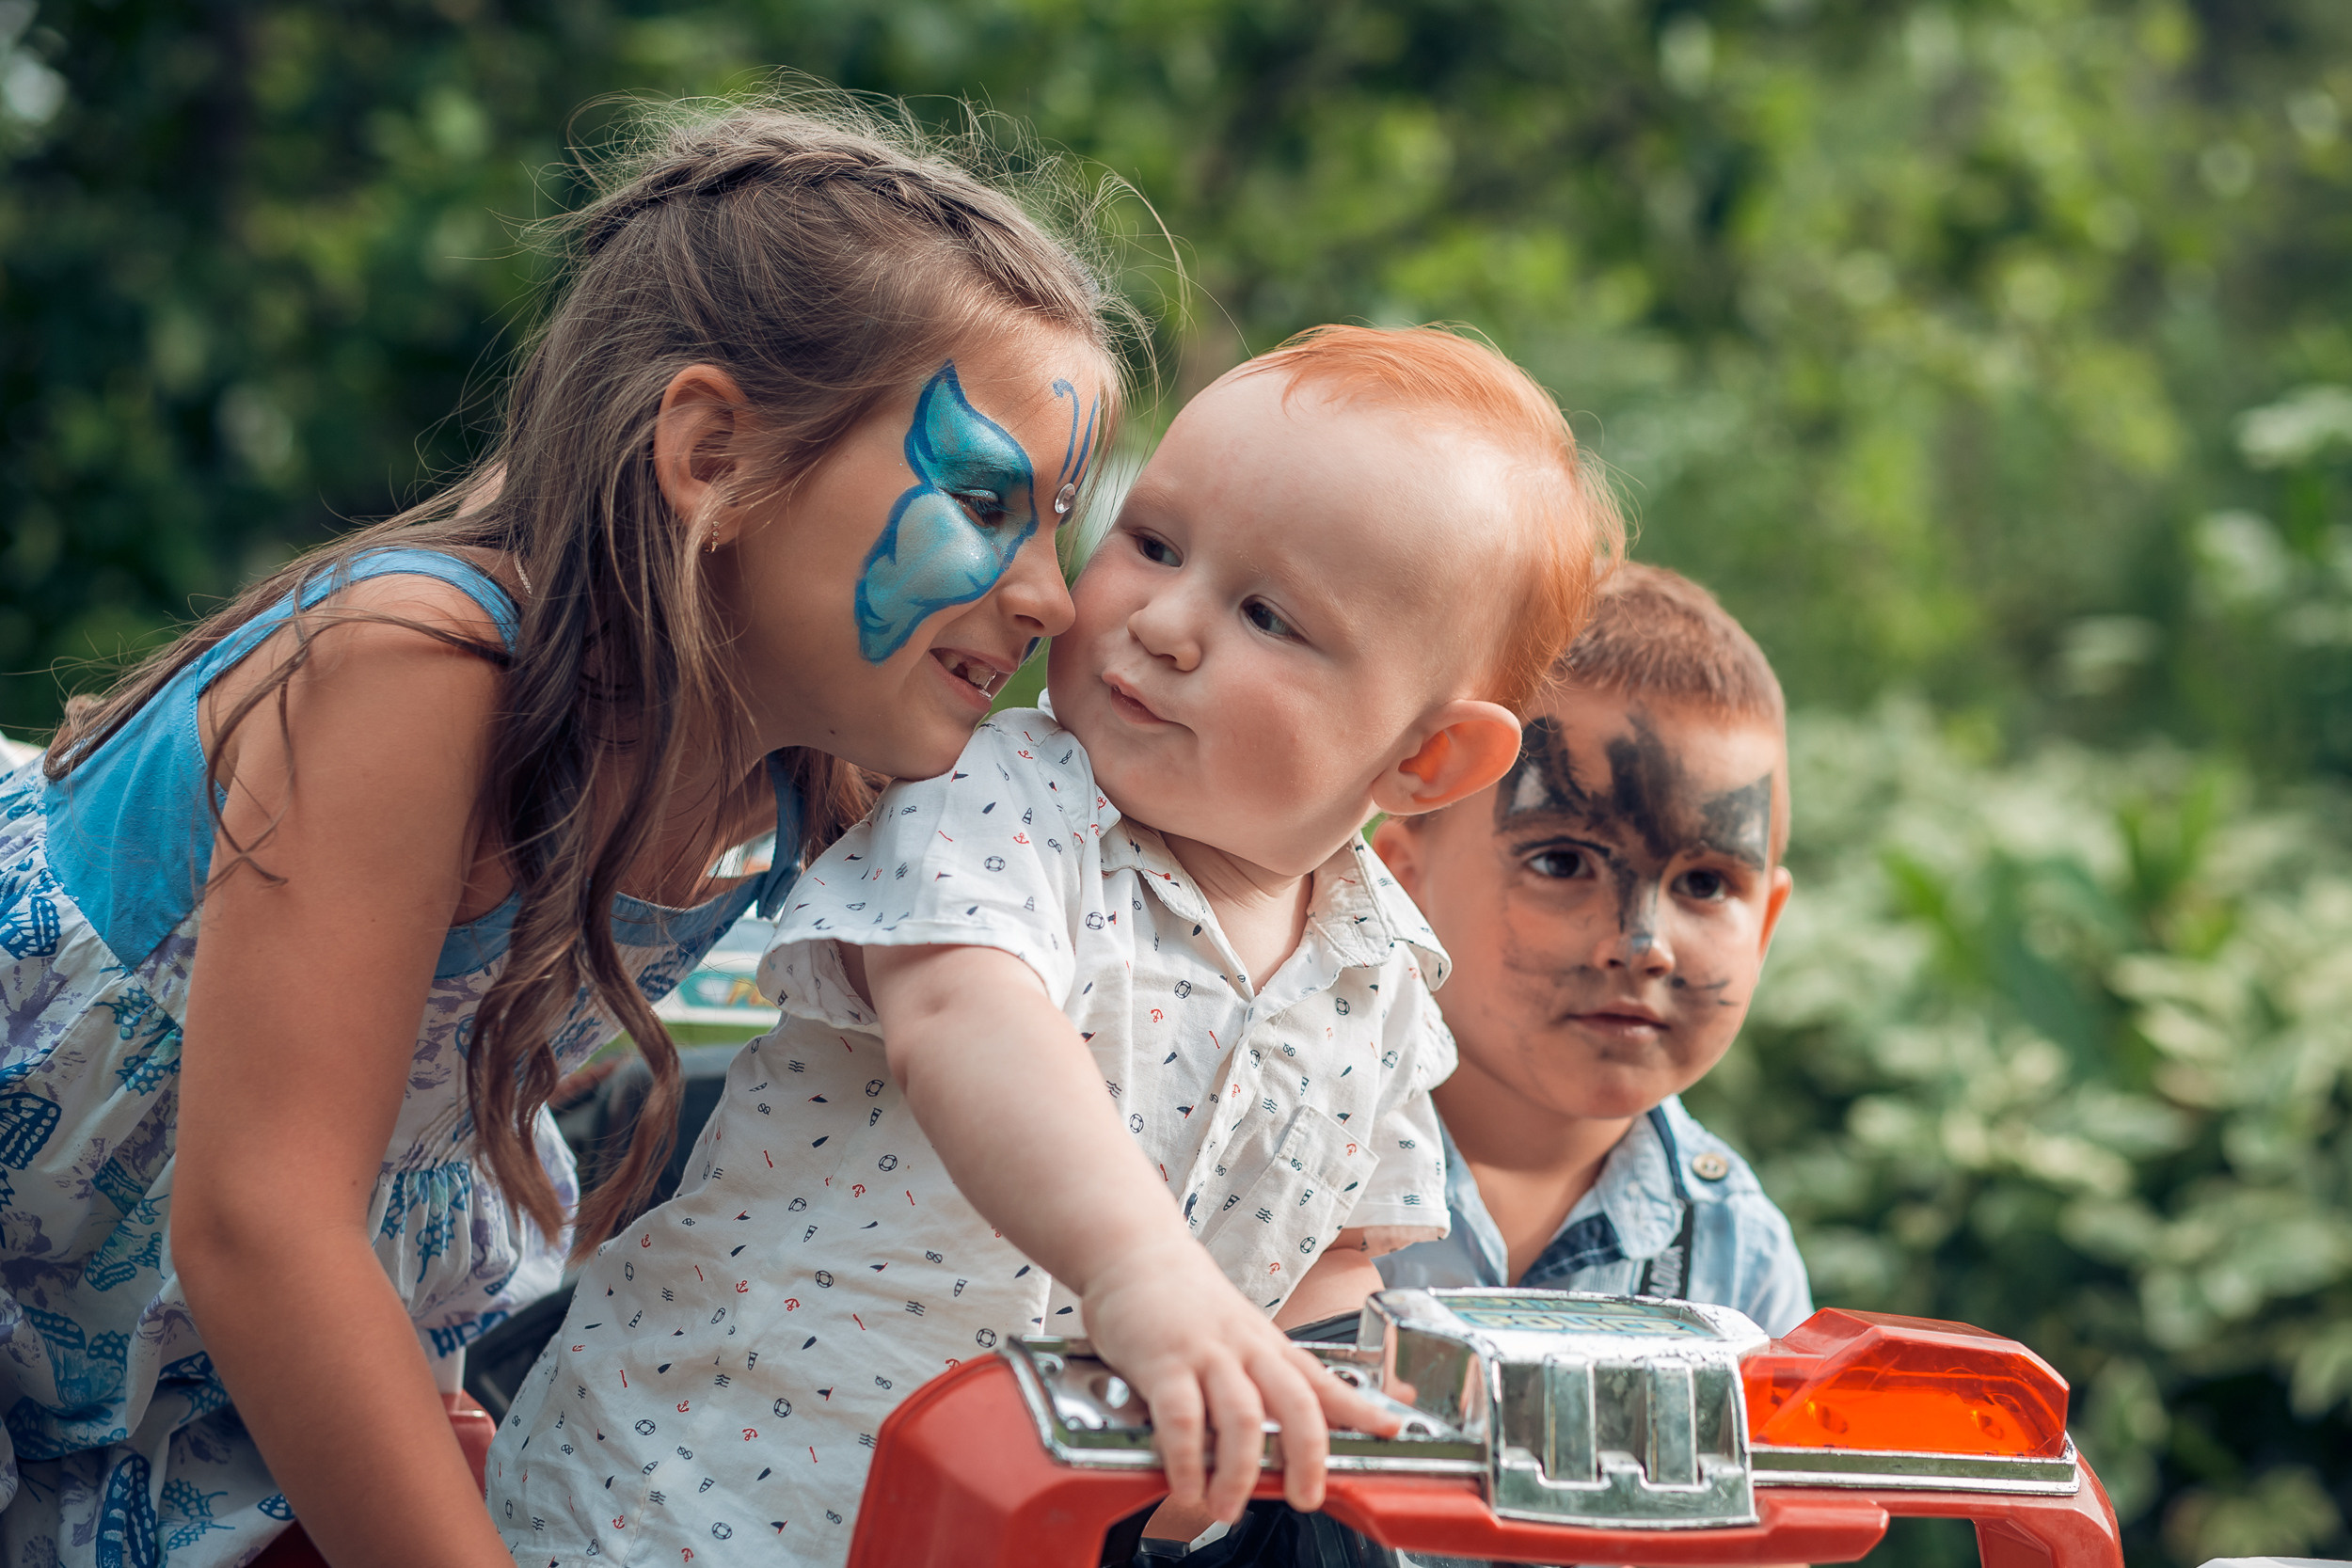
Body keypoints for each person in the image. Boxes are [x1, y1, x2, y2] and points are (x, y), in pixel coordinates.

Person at [0, 101, 1134, 1568]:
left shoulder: (819, 778)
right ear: (715, 454)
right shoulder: (421, 667)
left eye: (1063, 523)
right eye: (989, 503)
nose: (1049, 592)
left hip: (178, 1302)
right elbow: (262, 1223)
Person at [487, 325, 1627, 1565]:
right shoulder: (1008, 796)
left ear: (1426, 759)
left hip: (1014, 1527)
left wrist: (1310, 1432)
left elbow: (1331, 1262)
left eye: (1266, 613)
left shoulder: (1379, 978)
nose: (1165, 620)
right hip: (708, 1478)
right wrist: (1143, 1269)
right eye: (1152, 542)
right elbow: (966, 1021)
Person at [1372, 562, 1812, 1336]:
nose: (1643, 946)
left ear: (1766, 925)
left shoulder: (1739, 1259)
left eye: (1705, 884)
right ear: (1403, 883)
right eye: (1563, 862)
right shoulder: (1284, 1168)